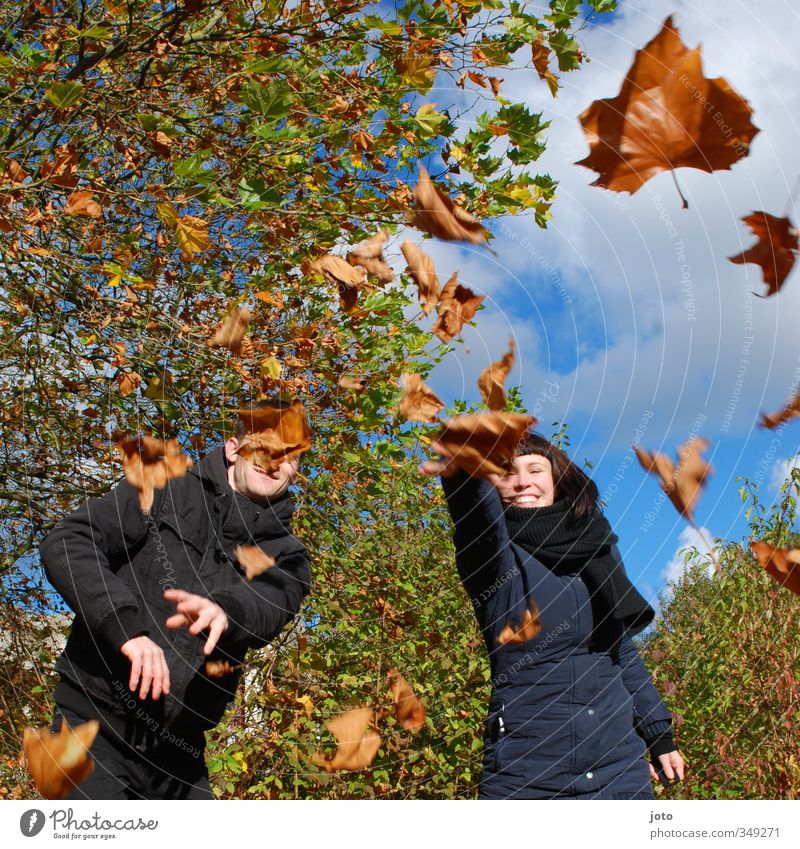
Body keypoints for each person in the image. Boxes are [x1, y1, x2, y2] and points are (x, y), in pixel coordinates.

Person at [40, 403, 311, 800]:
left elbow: (272, 600)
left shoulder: (287, 553)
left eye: (289, 456)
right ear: (233, 449)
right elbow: (68, 542)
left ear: (296, 472)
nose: (273, 461)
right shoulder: (165, 486)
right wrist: (125, 629)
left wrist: (227, 610)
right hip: (89, 723)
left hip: (178, 754)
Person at [421, 430, 685, 799]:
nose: (523, 481)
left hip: (619, 770)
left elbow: (620, 651)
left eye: (535, 469)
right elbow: (478, 525)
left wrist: (657, 733)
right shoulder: (498, 563)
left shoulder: (598, 549)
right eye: (507, 472)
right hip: (528, 774)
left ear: (557, 479)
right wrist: (466, 475)